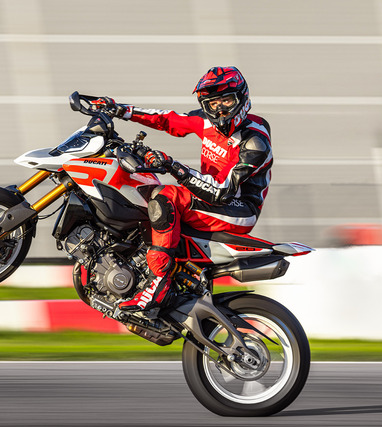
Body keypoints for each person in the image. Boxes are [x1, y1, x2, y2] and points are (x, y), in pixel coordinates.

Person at [97, 66, 273, 313]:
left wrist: (173, 166)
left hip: (238, 208)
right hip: (212, 201)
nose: (220, 109)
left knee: (165, 196)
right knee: (144, 189)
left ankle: (159, 284)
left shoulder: (255, 141)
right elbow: (167, 119)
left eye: (226, 100)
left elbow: (221, 191)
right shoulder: (205, 122)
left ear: (241, 98)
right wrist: (120, 110)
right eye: (213, 103)